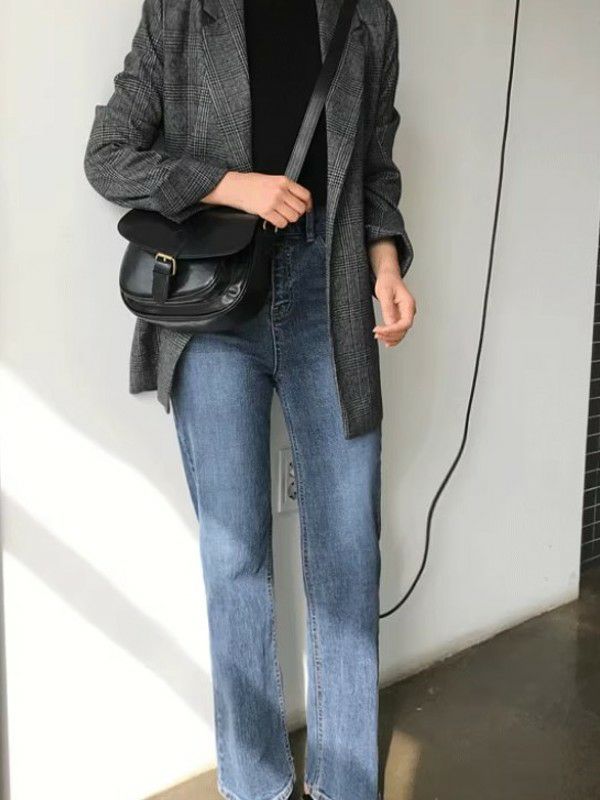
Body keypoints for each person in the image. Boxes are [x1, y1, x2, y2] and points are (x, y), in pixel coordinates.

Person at [84, 0, 416, 798]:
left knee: (348, 551)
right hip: (213, 303)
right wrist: (234, 186)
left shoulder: (366, 16)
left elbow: (375, 166)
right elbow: (110, 156)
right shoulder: (180, 9)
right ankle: (255, 784)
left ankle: (345, 785)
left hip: (331, 295)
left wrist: (386, 267)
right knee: (234, 556)